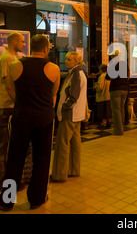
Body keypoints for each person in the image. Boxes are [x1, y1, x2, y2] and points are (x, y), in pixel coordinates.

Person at [0, 34, 60, 211]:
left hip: (21, 118)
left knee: (15, 160)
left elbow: (12, 91)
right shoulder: (54, 68)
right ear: (45, 49)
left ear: (31, 47)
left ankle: (7, 201)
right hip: (44, 119)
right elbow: (53, 96)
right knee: (42, 160)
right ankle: (37, 198)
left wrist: (24, 103)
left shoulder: (15, 65)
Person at [0, 32, 30, 193]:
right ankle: (5, 184)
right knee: (7, 147)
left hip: (10, 105)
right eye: (22, 41)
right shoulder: (8, 58)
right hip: (7, 106)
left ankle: (13, 180)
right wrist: (18, 103)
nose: (24, 44)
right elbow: (9, 85)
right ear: (14, 42)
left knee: (13, 146)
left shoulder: (11, 57)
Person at [51, 52, 87, 183]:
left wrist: (64, 107)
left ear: (76, 61)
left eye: (68, 59)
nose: (65, 61)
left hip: (70, 115)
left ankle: (59, 174)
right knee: (75, 144)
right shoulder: (78, 73)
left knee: (62, 144)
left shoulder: (76, 75)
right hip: (77, 115)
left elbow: (73, 96)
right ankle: (73, 170)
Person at [108, 51, 130, 135]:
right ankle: (122, 128)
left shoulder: (113, 64)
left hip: (116, 88)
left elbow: (110, 76)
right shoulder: (125, 64)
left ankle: (118, 131)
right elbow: (128, 76)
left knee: (116, 110)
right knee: (122, 109)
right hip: (125, 88)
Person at [94, 64, 111, 129]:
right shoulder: (108, 75)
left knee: (102, 110)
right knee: (106, 110)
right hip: (108, 95)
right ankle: (107, 122)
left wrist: (95, 86)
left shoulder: (101, 76)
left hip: (102, 96)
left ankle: (103, 123)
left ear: (101, 70)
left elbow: (100, 87)